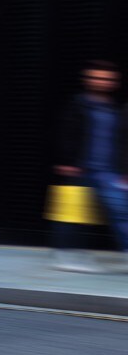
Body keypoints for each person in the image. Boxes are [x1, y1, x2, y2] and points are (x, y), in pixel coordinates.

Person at [51, 60, 128, 272]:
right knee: (72, 215)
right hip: (79, 168)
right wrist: (66, 161)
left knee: (122, 212)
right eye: (96, 77)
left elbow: (122, 141)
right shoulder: (78, 104)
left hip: (109, 171)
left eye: (106, 78)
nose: (101, 82)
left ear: (114, 81)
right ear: (87, 79)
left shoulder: (116, 108)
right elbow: (66, 133)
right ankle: (65, 256)